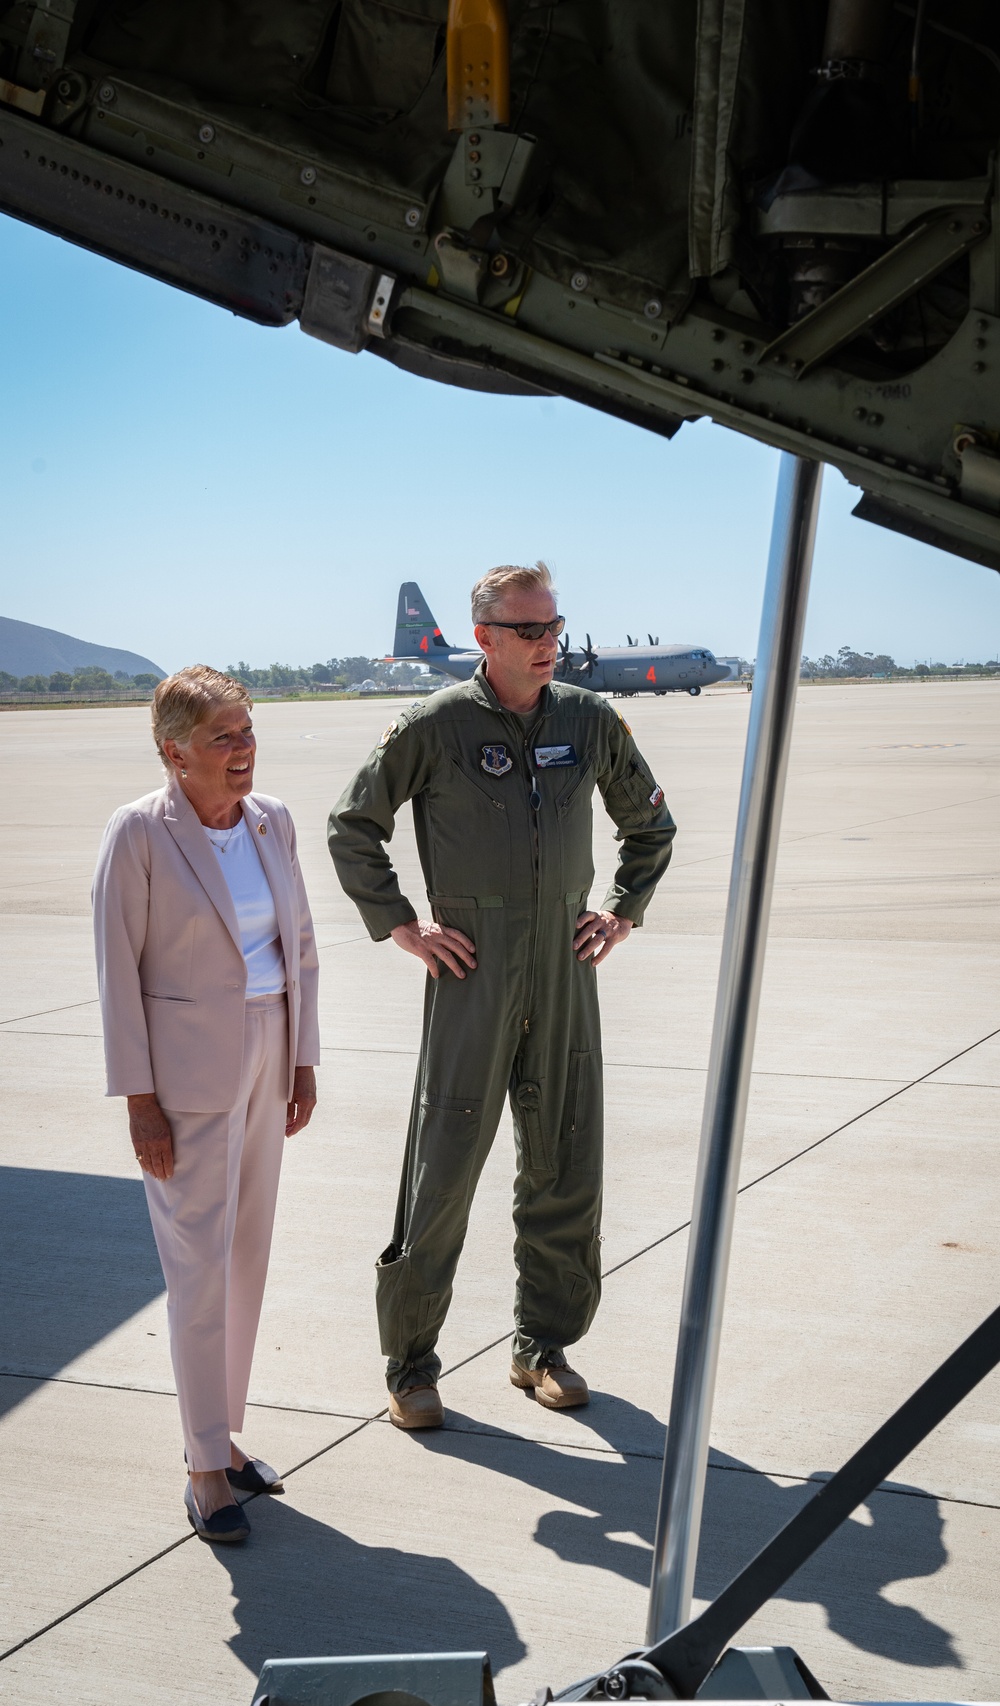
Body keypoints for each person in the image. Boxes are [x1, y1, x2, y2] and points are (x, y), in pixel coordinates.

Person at [328, 563, 676, 1431]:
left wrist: (622, 909)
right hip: (471, 970)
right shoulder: (435, 726)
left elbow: (650, 823)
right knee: (443, 1168)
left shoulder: (588, 720)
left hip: (564, 967)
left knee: (564, 1160)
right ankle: (410, 1364)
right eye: (528, 630)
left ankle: (542, 1347)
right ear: (484, 639)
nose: (548, 641)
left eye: (554, 625)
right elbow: (353, 826)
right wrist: (404, 925)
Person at [93, 666, 320, 1543]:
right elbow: (119, 972)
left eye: (248, 730)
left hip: (269, 1056)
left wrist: (302, 1059)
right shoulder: (139, 835)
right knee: (197, 1267)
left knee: (248, 1255)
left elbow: (297, 945)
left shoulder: (273, 821)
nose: (242, 749)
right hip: (183, 1080)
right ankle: (200, 1467)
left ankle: (224, 1437)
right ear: (173, 751)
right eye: (222, 737)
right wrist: (139, 1101)